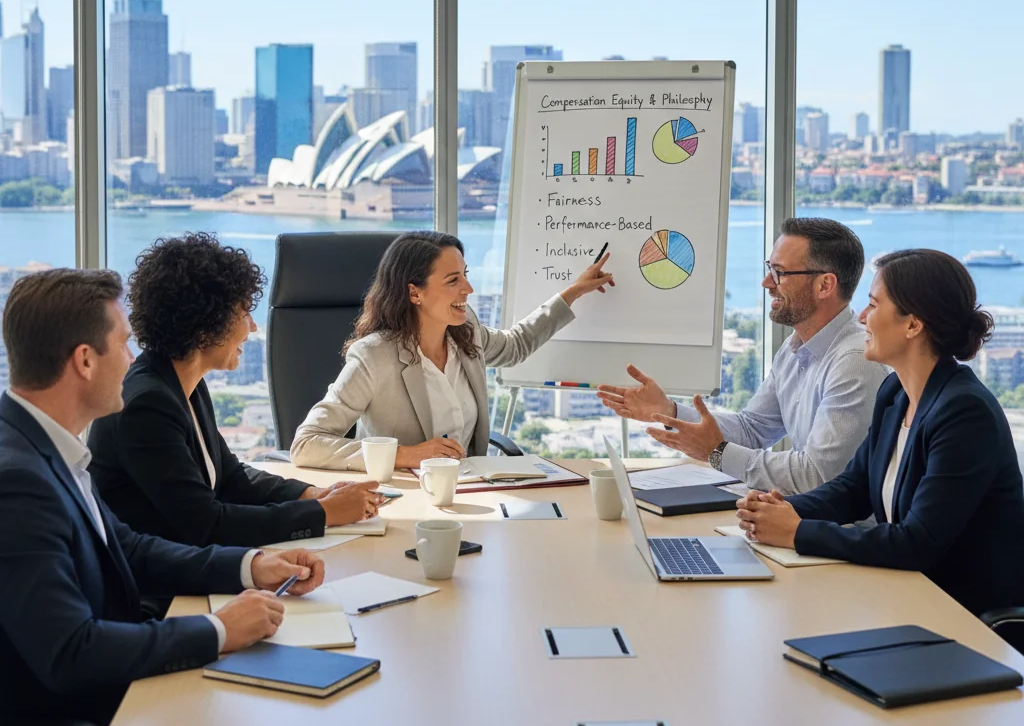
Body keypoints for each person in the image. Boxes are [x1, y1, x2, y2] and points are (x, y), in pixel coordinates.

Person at [0, 268, 325, 726]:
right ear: (85, 361)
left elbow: (129, 549)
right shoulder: (17, 481)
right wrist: (218, 630)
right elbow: (71, 652)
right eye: (124, 343)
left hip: (124, 678)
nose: (132, 359)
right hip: (85, 715)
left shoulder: (44, 446)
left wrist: (250, 566)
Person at [736, 249, 1024, 617]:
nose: (861, 317)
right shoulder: (896, 394)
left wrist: (796, 532)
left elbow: (917, 542)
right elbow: (853, 489)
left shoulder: (965, 414)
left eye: (873, 305)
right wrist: (779, 510)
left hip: (962, 618)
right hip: (902, 597)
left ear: (912, 325)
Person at [89, 233, 380, 553]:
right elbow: (207, 524)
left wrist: (311, 494)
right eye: (243, 314)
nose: (252, 328)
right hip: (162, 591)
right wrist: (324, 513)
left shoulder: (183, 382)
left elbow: (229, 477)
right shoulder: (148, 405)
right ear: (204, 327)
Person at [597, 218, 889, 494]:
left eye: (780, 272)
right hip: (804, 522)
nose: (766, 282)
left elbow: (817, 475)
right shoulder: (795, 347)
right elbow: (753, 429)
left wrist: (717, 453)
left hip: (837, 538)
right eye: (769, 268)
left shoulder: (854, 360)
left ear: (825, 285)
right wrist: (669, 411)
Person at [291, 230, 614, 470]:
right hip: (406, 499)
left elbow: (514, 346)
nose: (469, 289)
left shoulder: (465, 332)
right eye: (452, 280)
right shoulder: (374, 356)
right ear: (414, 293)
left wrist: (572, 293)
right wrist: (407, 455)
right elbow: (306, 445)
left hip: (473, 491)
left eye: (466, 275)